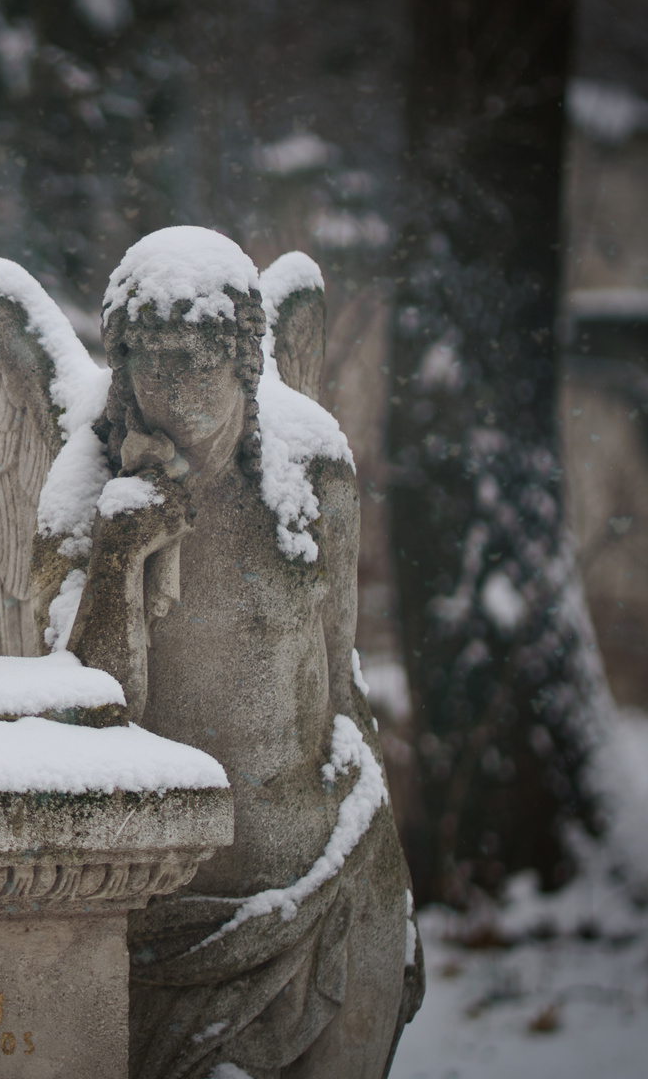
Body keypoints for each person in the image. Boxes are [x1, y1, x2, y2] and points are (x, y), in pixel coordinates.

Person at [66, 227, 423, 1078]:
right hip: (167, 911)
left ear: (244, 364)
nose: (173, 390)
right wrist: (119, 560)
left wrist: (386, 866)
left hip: (332, 872)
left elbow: (339, 680)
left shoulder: (313, 480)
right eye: (151, 364)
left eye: (198, 364)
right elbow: (88, 718)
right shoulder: (87, 492)